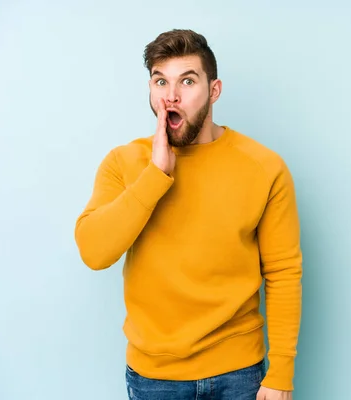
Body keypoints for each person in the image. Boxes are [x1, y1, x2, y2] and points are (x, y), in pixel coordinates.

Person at [74, 29, 302, 400]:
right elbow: (94, 253)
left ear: (214, 90)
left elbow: (283, 273)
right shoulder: (125, 163)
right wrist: (156, 175)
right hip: (154, 379)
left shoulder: (264, 167)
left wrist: (281, 373)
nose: (171, 95)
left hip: (240, 374)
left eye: (188, 80)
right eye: (160, 80)